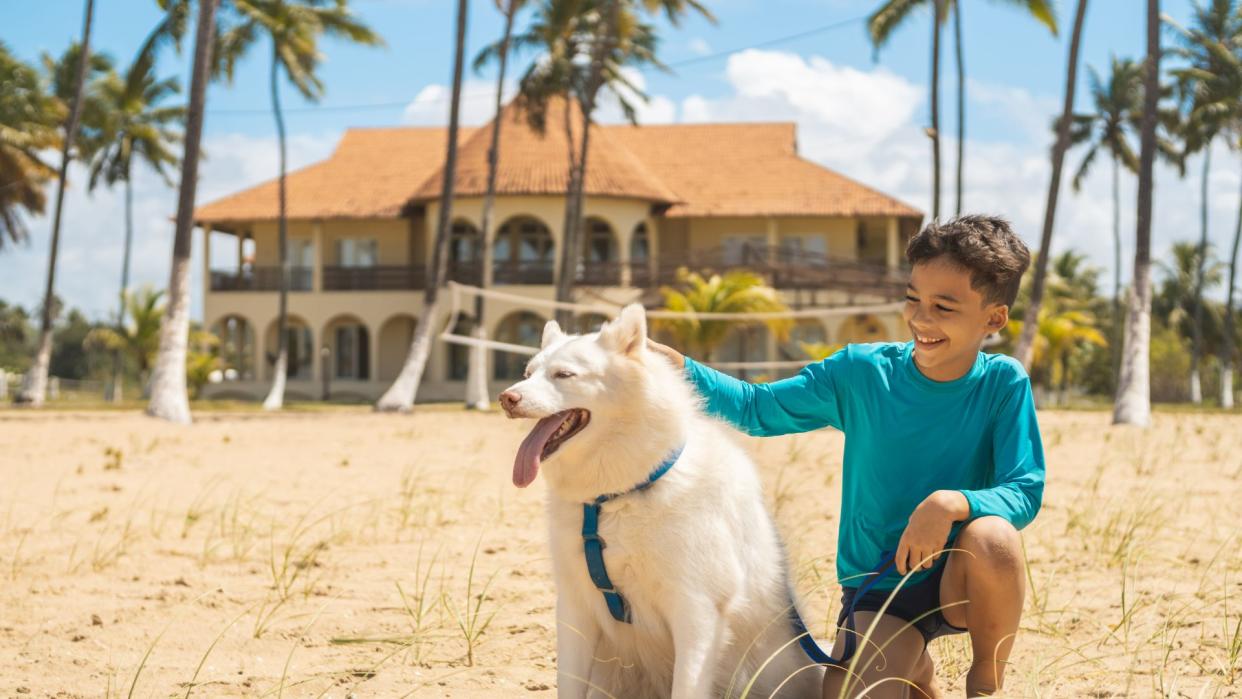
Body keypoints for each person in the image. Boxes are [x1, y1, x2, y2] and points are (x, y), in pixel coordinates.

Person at [647, 215, 1045, 698]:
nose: (921, 319)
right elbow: (758, 409)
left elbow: (1023, 489)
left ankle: (985, 681)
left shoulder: (1003, 382)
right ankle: (915, 668)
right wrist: (680, 369)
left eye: (944, 306)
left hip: (960, 577)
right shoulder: (861, 372)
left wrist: (949, 504)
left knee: (994, 537)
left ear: (993, 318)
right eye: (913, 299)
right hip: (880, 587)